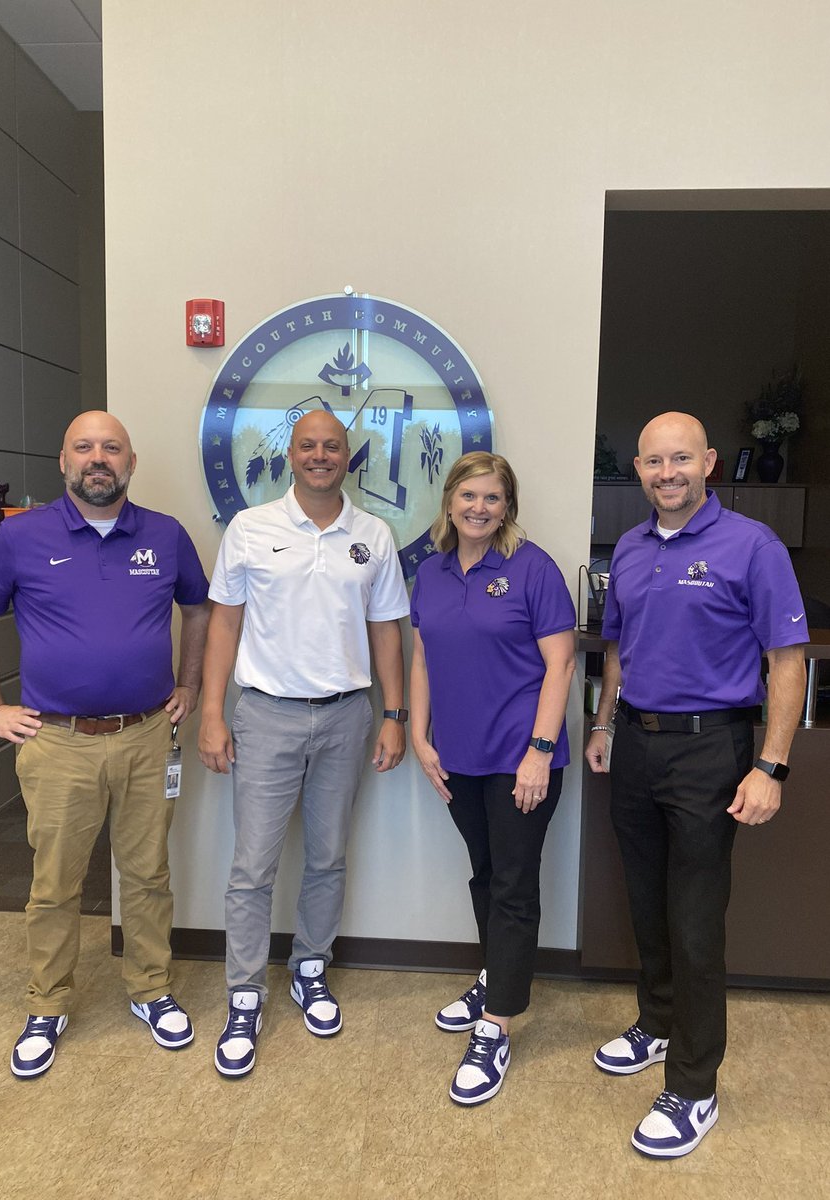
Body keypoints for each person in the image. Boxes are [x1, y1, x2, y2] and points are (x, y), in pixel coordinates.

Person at [0, 411, 210, 1078]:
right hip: (58, 742)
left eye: (111, 448)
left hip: (148, 735)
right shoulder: (21, 536)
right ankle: (47, 1003)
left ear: (130, 461)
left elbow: (200, 608)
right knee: (55, 883)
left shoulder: (166, 534)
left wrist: (189, 686)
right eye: (85, 447)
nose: (99, 458)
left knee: (148, 874)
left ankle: (151, 988)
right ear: (64, 462)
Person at [585, 412, 807, 1158]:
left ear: (709, 462)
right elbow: (619, 647)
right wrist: (605, 723)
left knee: (696, 919)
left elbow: (787, 660)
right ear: (640, 470)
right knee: (646, 903)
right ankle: (657, 1022)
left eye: (681, 458)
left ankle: (693, 1086)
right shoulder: (633, 545)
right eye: (654, 461)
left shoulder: (753, 546)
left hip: (712, 749)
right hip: (638, 748)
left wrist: (770, 766)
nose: (667, 472)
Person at [198, 408, 409, 1078]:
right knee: (252, 866)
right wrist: (212, 712)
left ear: (350, 457)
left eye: (333, 446)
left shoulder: (373, 534)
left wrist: (395, 713)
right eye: (308, 446)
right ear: (289, 454)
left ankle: (311, 968)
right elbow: (223, 627)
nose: (320, 455)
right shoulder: (251, 528)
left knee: (327, 857)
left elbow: (387, 633)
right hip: (264, 715)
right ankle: (245, 994)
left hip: (347, 715)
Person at [410, 451, 576, 1105]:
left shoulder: (532, 569)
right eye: (470, 496)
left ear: (509, 507)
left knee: (512, 883)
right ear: (450, 500)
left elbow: (559, 666)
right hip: (458, 759)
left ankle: (496, 1023)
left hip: (519, 762)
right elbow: (421, 656)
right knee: (485, 873)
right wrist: (422, 738)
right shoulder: (432, 571)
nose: (480, 508)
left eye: (494, 498)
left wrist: (538, 751)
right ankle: (495, 974)